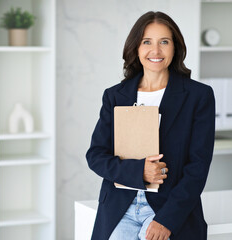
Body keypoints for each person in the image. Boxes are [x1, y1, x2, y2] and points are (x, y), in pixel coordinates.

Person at [86, 11, 215, 240]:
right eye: (147, 42)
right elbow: (96, 156)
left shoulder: (198, 96)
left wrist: (166, 220)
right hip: (119, 208)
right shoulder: (115, 96)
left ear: (175, 47)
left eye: (164, 42)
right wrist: (139, 172)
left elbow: (198, 167)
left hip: (168, 209)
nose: (155, 51)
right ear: (136, 47)